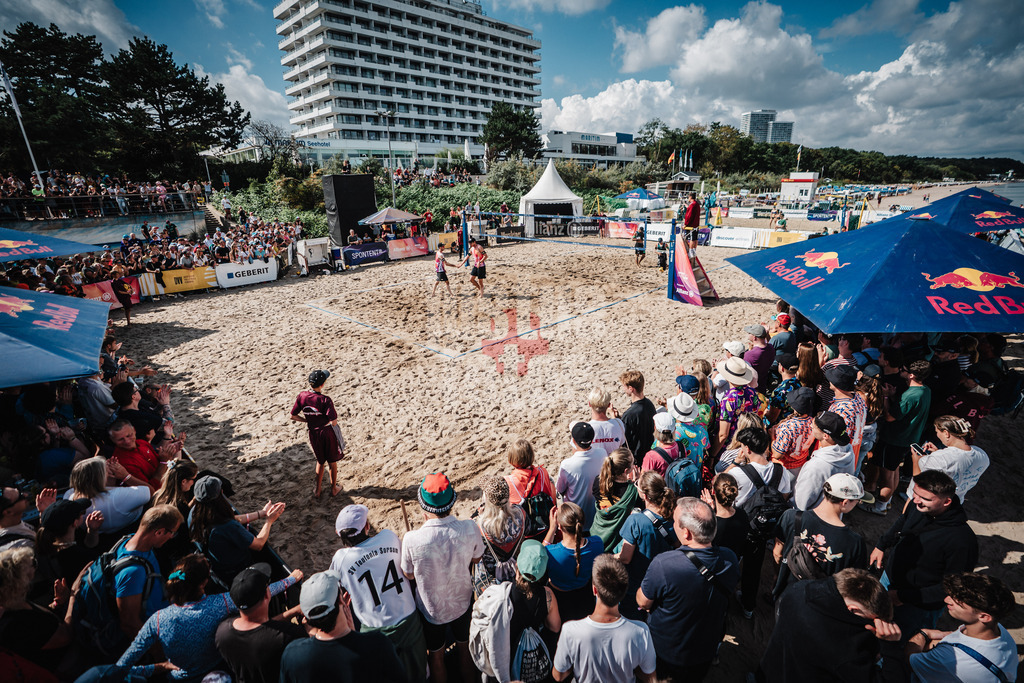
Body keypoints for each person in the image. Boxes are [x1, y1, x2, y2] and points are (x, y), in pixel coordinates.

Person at [112, 554, 301, 682]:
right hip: (221, 671)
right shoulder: (220, 604)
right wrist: (291, 579)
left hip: (180, 678)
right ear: (204, 583)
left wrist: (158, 668)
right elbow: (258, 592)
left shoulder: (158, 619)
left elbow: (120, 667)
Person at [869, 469, 978, 670]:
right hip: (890, 581)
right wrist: (881, 545)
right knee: (874, 628)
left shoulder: (962, 541)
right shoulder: (918, 506)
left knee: (898, 646)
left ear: (946, 502)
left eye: (924, 498)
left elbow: (950, 587)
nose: (916, 501)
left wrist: (903, 596)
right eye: (915, 494)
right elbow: (902, 523)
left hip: (917, 607)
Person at [636, 498, 739, 682]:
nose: (673, 524)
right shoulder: (730, 560)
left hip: (667, 652)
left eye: (674, 522)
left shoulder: (665, 564)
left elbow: (643, 602)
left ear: (686, 533)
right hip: (705, 650)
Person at [400, 472, 482, 683]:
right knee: (465, 650)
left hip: (431, 610)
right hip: (462, 602)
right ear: (451, 503)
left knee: (436, 657)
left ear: (424, 509)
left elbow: (408, 574)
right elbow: (477, 558)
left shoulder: (412, 539)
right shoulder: (469, 528)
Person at [331, 504, 425, 683]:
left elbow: (338, 590)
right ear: (367, 526)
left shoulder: (340, 559)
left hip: (373, 630)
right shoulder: (388, 537)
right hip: (407, 620)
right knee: (418, 674)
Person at [755, 569, 902, 683]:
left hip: (769, 669)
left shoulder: (800, 588)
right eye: (873, 621)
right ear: (854, 610)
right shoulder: (844, 650)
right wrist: (891, 647)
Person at [279, 570, 407, 683]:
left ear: (306, 618)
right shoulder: (377, 644)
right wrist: (355, 635)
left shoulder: (293, 656)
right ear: (341, 600)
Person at [723, 427, 794, 618]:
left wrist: (735, 463)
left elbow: (719, 485)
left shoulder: (738, 474)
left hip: (739, 525)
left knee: (729, 560)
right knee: (753, 569)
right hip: (764, 528)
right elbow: (784, 497)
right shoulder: (782, 472)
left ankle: (723, 595)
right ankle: (748, 606)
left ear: (746, 448)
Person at [552, 554, 656, 683]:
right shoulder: (641, 631)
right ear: (624, 591)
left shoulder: (570, 630)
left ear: (594, 590)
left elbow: (558, 675)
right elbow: (650, 677)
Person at [772, 473, 871, 597]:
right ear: (845, 502)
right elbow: (853, 583)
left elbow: (777, 553)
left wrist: (779, 576)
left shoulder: (791, 517)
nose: (857, 503)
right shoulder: (854, 543)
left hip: (786, 593)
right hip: (820, 604)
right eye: (858, 501)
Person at [907, 573, 1017, 683]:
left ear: (984, 617)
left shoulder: (951, 659)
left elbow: (909, 660)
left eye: (958, 600)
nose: (946, 600)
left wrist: (923, 633)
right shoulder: (999, 631)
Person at [215, 564, 309, 683]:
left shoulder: (222, 633)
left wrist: (292, 612)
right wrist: (308, 627)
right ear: (267, 595)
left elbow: (258, 629)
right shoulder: (288, 636)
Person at [189, 475, 286, 585]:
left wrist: (262, 513)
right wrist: (269, 521)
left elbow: (232, 519)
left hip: (216, 571)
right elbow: (258, 544)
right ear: (221, 492)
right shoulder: (226, 526)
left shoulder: (194, 513)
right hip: (238, 576)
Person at [110, 505, 185, 647]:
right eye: (172, 533)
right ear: (159, 532)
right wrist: (158, 653)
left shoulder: (132, 541)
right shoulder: (132, 572)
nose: (172, 537)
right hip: (156, 636)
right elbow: (129, 623)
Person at [866, 360, 932, 515]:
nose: (899, 370)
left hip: (894, 439)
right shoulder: (925, 390)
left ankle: (880, 506)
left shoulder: (910, 395)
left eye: (902, 368)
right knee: (894, 470)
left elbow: (890, 417)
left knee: (887, 475)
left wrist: (886, 398)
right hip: (908, 438)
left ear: (911, 375)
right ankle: (887, 502)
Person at [617, 471, 677, 620]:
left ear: (644, 495)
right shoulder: (674, 515)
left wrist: (610, 557)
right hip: (662, 582)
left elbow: (625, 558)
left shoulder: (636, 521)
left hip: (636, 583)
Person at [907, 415, 989, 504]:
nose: (937, 435)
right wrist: (938, 452)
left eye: (937, 432)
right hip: (954, 503)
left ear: (946, 433)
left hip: (925, 503)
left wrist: (916, 461)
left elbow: (919, 482)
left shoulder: (940, 458)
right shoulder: (982, 455)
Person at [544, 502, 604, 623]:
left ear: (559, 526)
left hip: (559, 600)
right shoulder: (597, 544)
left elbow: (537, 556)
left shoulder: (550, 553)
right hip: (585, 597)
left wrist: (551, 529)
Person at [290, 369, 346, 499]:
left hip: (313, 432)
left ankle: (318, 490)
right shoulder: (325, 400)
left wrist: (307, 420)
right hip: (326, 432)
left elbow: (293, 416)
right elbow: (333, 421)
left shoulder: (302, 396)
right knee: (332, 461)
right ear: (323, 384)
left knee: (320, 461)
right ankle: (333, 489)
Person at [65, 456, 150, 534]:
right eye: (106, 470)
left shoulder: (69, 496)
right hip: (133, 524)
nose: (109, 471)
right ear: (99, 478)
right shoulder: (118, 496)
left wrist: (110, 480)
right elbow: (151, 491)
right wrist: (125, 476)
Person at [792, 411, 855, 511]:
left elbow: (802, 501)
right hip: (834, 514)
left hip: (811, 518)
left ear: (825, 436)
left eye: (814, 427)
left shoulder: (816, 466)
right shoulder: (848, 451)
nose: (811, 426)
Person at [555, 422, 608, 532]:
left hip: (576, 518)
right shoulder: (602, 454)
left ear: (573, 441)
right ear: (592, 440)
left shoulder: (567, 464)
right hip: (597, 517)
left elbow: (560, 489)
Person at [475, 477, 527, 581]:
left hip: (493, 573)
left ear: (487, 500)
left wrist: (481, 516)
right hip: (518, 566)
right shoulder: (521, 514)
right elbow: (528, 531)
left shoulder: (481, 525)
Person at [590, 448, 639, 553]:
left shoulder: (598, 480)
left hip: (598, 532)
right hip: (615, 539)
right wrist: (636, 483)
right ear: (626, 471)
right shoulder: (632, 491)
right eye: (632, 463)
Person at [769, 386, 815, 476]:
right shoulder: (813, 422)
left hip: (784, 469)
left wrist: (772, 437)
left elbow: (778, 454)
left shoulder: (787, 427)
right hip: (802, 465)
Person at [826, 364, 868, 463]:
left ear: (837, 384)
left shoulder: (842, 410)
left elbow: (838, 442)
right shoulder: (859, 399)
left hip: (838, 460)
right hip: (853, 455)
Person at [613, 370, 656, 462]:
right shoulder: (649, 404)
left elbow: (624, 440)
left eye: (624, 386)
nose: (623, 389)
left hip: (637, 458)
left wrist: (615, 420)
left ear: (631, 388)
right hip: (650, 453)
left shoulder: (630, 414)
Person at [587, 387, 626, 454]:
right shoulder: (619, 423)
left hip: (596, 464)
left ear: (589, 404)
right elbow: (620, 445)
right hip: (614, 462)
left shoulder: (586, 428)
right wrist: (613, 417)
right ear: (608, 405)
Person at [764, 352, 799, 425]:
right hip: (795, 422)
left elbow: (771, 418)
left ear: (782, 368)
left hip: (781, 425)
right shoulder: (799, 383)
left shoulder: (779, 392)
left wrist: (765, 411)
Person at [641, 412, 678, 477]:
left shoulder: (651, 456)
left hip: (661, 486)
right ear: (674, 429)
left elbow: (643, 480)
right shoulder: (681, 447)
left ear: (655, 428)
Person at [742, 324, 776, 395]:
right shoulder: (770, 348)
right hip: (763, 384)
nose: (748, 334)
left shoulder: (750, 354)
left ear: (754, 338)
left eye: (749, 333)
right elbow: (766, 344)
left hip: (752, 388)